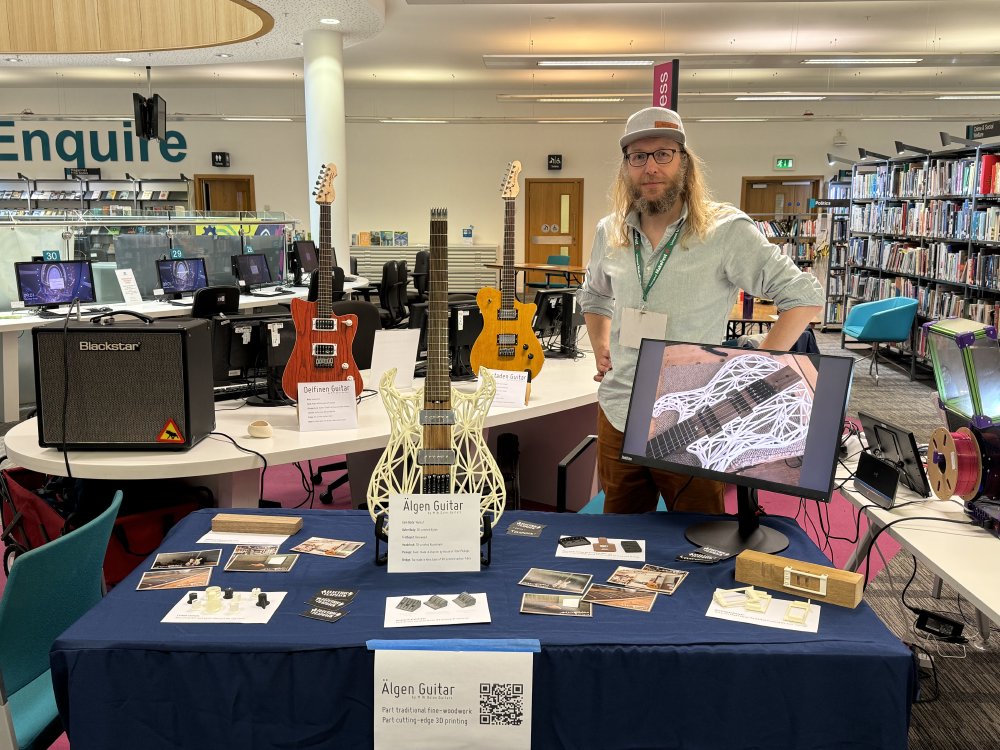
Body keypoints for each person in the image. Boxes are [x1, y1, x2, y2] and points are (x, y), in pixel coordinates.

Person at [576, 107, 823, 515]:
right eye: (638, 157)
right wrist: (601, 342)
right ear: (625, 167)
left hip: (695, 419)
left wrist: (757, 365)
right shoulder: (611, 230)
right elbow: (594, 295)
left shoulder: (724, 231)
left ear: (685, 162)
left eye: (663, 154)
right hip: (619, 408)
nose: (650, 167)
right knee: (617, 537)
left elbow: (803, 296)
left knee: (698, 540)